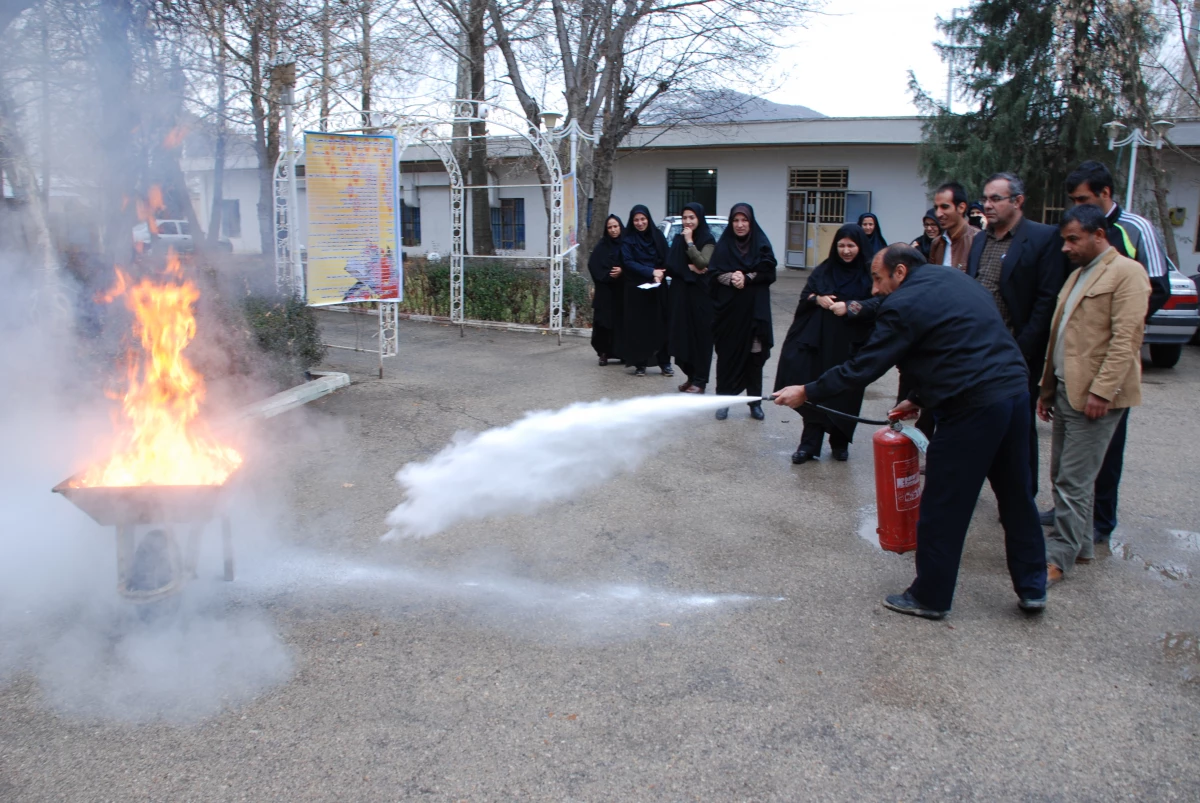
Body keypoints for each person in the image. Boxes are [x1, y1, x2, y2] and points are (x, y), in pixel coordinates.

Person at [774, 244, 1047, 619]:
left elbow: (864, 366)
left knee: (943, 505)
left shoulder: (901, 305)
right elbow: (955, 343)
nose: (873, 289)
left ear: (900, 272)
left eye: (877, 278)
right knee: (1017, 497)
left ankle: (930, 597)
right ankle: (1033, 587)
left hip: (972, 407)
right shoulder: (954, 278)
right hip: (1014, 394)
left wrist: (807, 390)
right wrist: (918, 397)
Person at [1039, 160, 1172, 544]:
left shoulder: (1134, 229)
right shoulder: (1078, 238)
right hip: (1076, 363)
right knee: (1070, 462)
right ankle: (1072, 514)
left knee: (1105, 447)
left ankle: (1099, 519)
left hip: (1108, 363)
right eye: (1074, 199)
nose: (1080, 203)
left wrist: (1117, 333)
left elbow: (1156, 286)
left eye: (1084, 198)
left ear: (1105, 194)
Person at [1037, 205, 1150, 582]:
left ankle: (1058, 557)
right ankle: (1081, 546)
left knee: (1074, 480)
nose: (1066, 247)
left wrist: (1103, 391)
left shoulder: (1127, 273)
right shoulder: (1078, 276)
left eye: (1074, 239)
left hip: (1095, 397)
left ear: (1098, 234)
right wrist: (1047, 390)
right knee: (1062, 475)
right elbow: (1060, 337)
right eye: (1064, 240)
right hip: (1067, 390)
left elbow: (1126, 340)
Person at [966, 172, 1067, 493]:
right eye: (985, 199)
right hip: (978, 352)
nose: (987, 205)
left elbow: (1046, 301)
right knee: (979, 421)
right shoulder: (980, 239)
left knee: (1019, 427)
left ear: (1018, 201)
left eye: (996, 199)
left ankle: (1022, 493)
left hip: (1018, 353)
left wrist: (1021, 351)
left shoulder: (1042, 238)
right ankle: (986, 483)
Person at [774, 224, 876, 463]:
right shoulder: (824, 269)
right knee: (813, 390)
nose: (846, 251)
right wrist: (817, 299)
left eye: (851, 245)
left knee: (845, 392)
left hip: (851, 345)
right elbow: (805, 296)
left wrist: (850, 306)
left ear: (860, 247)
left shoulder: (869, 273)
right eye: (841, 245)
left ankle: (839, 442)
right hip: (819, 343)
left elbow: (880, 302)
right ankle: (809, 444)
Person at [710, 203, 777, 421]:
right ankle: (724, 402)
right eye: (736, 221)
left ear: (751, 222)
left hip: (754, 315)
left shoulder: (761, 244)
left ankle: (754, 402)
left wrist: (747, 278)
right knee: (726, 358)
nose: (740, 225)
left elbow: (769, 273)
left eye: (744, 220)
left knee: (754, 359)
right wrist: (731, 278)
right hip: (729, 315)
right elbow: (713, 274)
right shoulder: (723, 246)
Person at [666, 202, 717, 393]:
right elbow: (670, 264)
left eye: (692, 218)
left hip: (701, 298)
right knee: (682, 336)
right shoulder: (678, 239)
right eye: (685, 217)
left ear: (699, 218)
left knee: (701, 338)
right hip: (681, 296)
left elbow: (703, 262)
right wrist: (689, 270)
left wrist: (689, 242)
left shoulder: (707, 238)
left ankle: (701, 380)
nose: (687, 221)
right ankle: (690, 376)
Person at [619, 204, 672, 377]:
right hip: (636, 290)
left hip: (657, 288)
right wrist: (650, 272)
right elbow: (628, 262)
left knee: (661, 325)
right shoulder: (627, 240)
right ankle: (639, 363)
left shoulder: (657, 237)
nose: (640, 223)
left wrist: (660, 273)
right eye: (636, 220)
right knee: (639, 327)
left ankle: (665, 363)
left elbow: (667, 258)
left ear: (648, 220)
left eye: (643, 219)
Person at [588, 214, 625, 366]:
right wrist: (608, 276)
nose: (613, 230)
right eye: (609, 227)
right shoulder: (602, 246)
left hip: (622, 291)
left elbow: (633, 262)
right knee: (604, 323)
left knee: (622, 323)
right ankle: (604, 353)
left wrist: (623, 271)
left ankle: (623, 353)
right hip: (605, 291)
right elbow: (593, 265)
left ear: (620, 227)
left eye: (615, 226)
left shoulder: (627, 244)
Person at [928, 182, 979, 271]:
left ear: (961, 208)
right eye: (936, 208)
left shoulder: (977, 239)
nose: (938, 214)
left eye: (944, 207)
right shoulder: (936, 243)